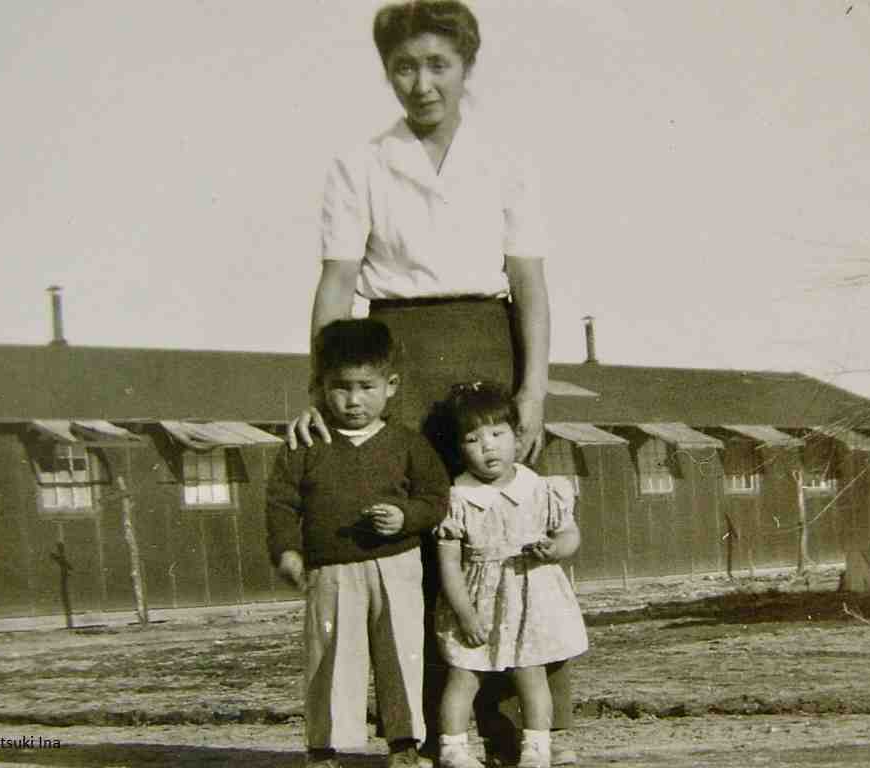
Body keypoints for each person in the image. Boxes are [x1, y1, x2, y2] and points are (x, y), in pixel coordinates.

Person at [288, 1, 577, 764]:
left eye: (437, 64)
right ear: (388, 73)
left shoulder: (508, 159)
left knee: (503, 533)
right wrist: (317, 391)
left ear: (467, 68)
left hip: (488, 348)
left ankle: (520, 727)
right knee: (410, 540)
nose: (421, 83)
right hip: (397, 356)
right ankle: (420, 731)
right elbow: (336, 286)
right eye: (404, 67)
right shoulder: (359, 165)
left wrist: (534, 391)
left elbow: (532, 287)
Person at [267, 319, 449, 768]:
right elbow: (281, 504)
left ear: (390, 386)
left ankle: (405, 745)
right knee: (331, 658)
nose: (352, 400)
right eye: (340, 388)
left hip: (397, 565)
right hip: (330, 571)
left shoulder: (408, 443)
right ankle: (325, 749)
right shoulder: (305, 443)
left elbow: (436, 499)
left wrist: (407, 517)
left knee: (401, 655)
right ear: (319, 388)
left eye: (366, 387)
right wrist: (287, 552)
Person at [432, 383, 588, 768]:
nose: (488, 447)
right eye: (473, 438)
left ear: (517, 438)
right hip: (477, 601)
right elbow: (449, 562)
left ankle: (536, 749)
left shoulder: (539, 488)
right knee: (464, 674)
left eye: (497, 435)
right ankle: (453, 750)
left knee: (531, 673)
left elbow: (569, 533)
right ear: (459, 447)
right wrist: (464, 613)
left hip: (531, 599)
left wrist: (556, 549)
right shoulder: (457, 499)